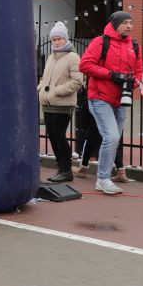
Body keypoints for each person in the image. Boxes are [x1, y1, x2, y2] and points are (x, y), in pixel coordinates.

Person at [79, 11, 143, 195]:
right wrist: (111, 75)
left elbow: (139, 70)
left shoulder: (134, 45)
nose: (129, 26)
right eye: (125, 23)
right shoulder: (101, 42)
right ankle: (103, 179)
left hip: (121, 99)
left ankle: (105, 177)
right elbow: (84, 65)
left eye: (131, 22)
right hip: (100, 97)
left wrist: (136, 82)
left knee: (114, 139)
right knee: (112, 137)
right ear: (115, 24)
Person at [37, 21, 83, 182]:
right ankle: (61, 169)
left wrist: (57, 91)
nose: (56, 42)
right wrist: (40, 89)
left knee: (59, 136)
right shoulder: (51, 57)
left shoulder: (73, 57)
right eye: (54, 39)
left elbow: (77, 81)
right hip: (48, 103)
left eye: (59, 39)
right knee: (52, 137)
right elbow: (45, 78)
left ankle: (66, 171)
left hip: (62, 104)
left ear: (66, 39)